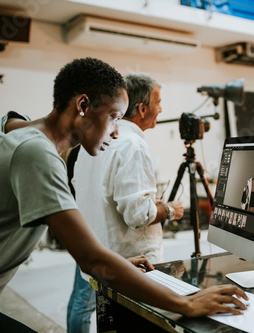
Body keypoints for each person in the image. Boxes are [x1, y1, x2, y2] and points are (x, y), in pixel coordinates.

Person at [0, 58, 247, 331]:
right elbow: (92, 258)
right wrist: (186, 303)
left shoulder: (13, 125)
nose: (117, 131)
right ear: (83, 106)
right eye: (115, 117)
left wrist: (115, 264)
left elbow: (85, 250)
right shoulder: (37, 154)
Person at [66, 73, 184, 332]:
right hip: (129, 263)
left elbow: (97, 191)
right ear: (142, 109)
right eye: (158, 102)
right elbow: (138, 215)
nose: (161, 108)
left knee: (98, 317)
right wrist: (169, 210)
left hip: (96, 249)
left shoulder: (91, 143)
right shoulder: (133, 145)